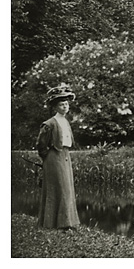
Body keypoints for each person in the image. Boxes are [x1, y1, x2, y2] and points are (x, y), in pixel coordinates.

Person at [36, 84, 80, 230]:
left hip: (65, 155)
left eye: (66, 104)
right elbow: (41, 145)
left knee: (67, 187)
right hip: (54, 157)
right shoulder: (49, 124)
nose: (65, 107)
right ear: (55, 107)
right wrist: (47, 158)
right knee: (59, 187)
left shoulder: (65, 121)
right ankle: (55, 223)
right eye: (61, 104)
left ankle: (67, 222)